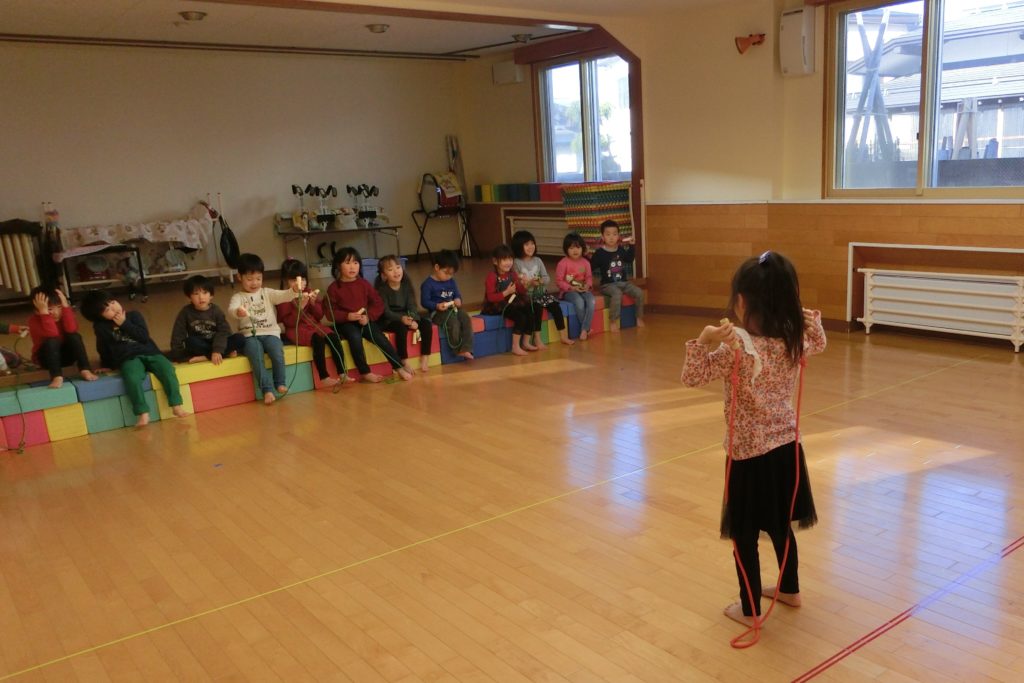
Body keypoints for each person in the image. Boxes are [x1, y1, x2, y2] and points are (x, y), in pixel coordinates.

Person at [680, 250, 826, 628]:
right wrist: (802, 316)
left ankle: (749, 610)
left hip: (747, 456)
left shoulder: (739, 348)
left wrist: (704, 339)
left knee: (744, 535)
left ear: (742, 302)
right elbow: (819, 339)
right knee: (780, 524)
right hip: (787, 450)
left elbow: (692, 377)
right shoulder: (793, 339)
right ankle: (790, 589)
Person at [80, 290, 188, 427]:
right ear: (99, 316)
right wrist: (107, 364)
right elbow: (103, 346)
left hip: (150, 352)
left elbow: (143, 337)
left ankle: (176, 405)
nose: (113, 308)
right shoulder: (101, 327)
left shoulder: (134, 315)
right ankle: (142, 412)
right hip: (128, 358)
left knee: (167, 369)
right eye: (107, 309)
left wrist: (124, 323)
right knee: (132, 377)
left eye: (113, 302)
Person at [326, 248, 413, 382]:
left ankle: (398, 366)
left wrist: (369, 317)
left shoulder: (363, 284)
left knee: (380, 338)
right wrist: (347, 316)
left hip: (364, 320)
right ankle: (365, 372)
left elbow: (377, 303)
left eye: (355, 263)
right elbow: (329, 312)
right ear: (338, 265)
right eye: (347, 263)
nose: (352, 267)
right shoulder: (333, 288)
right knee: (355, 338)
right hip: (345, 324)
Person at [228, 253, 303, 405]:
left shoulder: (267, 293)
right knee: (256, 356)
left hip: (270, 333)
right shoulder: (238, 297)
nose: (254, 283)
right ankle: (267, 390)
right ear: (239, 277)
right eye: (249, 279)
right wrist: (238, 312)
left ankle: (280, 383)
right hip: (250, 335)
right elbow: (231, 310)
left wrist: (293, 290)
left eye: (258, 278)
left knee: (277, 353)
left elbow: (284, 295)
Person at [277, 259, 349, 389]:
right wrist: (300, 307)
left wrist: (313, 303)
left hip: (314, 325)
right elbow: (289, 322)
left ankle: (342, 372)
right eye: (294, 280)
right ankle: (324, 376)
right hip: (296, 329)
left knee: (333, 336)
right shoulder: (283, 296)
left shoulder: (308, 290)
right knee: (317, 340)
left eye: (303, 279)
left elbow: (319, 315)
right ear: (285, 280)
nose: (300, 283)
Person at [511, 229, 573, 347]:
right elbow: (518, 283)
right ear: (518, 246)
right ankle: (537, 338)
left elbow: (547, 278)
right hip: (527, 296)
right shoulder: (516, 263)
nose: (531, 247)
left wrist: (539, 281)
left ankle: (563, 336)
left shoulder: (537, 260)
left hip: (541, 293)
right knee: (537, 308)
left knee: (556, 307)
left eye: (532, 243)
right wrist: (529, 283)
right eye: (526, 244)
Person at [27, 286, 98, 388]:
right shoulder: (33, 321)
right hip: (47, 360)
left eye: (59, 307)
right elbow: (52, 334)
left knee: (75, 336)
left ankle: (85, 369)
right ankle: (56, 376)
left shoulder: (64, 315)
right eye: (49, 309)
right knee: (52, 341)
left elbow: (71, 329)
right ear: (37, 311)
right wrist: (45, 314)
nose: (56, 313)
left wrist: (66, 307)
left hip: (66, 357)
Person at [374, 255, 433, 373]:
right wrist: (402, 319)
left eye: (398, 267)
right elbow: (386, 312)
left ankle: (425, 356)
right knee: (401, 329)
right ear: (384, 275)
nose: (396, 271)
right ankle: (404, 360)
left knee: (426, 324)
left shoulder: (406, 286)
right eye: (390, 269)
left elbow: (412, 306)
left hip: (407, 317)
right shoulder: (382, 290)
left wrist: (413, 319)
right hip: (390, 320)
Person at [169, 275, 246, 365]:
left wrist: (217, 350)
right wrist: (177, 355)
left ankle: (206, 357)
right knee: (190, 342)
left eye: (205, 293)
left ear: (211, 295)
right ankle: (224, 354)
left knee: (240, 338)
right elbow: (178, 334)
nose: (201, 297)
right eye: (196, 294)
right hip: (200, 345)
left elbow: (224, 332)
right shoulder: (185, 312)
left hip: (217, 343)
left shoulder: (216, 310)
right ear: (189, 297)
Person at [590, 219, 645, 331]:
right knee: (617, 294)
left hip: (623, 283)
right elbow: (591, 266)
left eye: (614, 234)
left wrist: (632, 246)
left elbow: (629, 259)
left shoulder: (620, 250)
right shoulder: (599, 253)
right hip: (607, 285)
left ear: (618, 236)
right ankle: (613, 320)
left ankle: (639, 317)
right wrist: (585, 255)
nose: (611, 237)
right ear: (602, 236)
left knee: (639, 292)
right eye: (608, 234)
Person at [481, 245, 537, 356]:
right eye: (504, 260)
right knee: (520, 317)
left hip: (512, 301)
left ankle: (526, 342)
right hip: (497, 305)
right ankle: (515, 346)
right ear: (495, 261)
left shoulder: (512, 274)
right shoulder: (492, 276)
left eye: (510, 259)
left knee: (530, 310)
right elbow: (491, 297)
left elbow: (520, 291)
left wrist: (527, 283)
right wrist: (506, 292)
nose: (508, 263)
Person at [420, 249, 474, 361]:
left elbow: (457, 295)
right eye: (446, 273)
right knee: (453, 322)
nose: (448, 276)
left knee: (465, 317)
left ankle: (466, 348)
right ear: (437, 267)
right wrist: (436, 306)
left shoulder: (451, 281)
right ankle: (457, 349)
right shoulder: (428, 284)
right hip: (437, 313)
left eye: (451, 274)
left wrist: (458, 299)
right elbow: (424, 302)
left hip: (452, 309)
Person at [555, 232, 595, 341]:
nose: (575, 250)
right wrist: (572, 288)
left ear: (582, 248)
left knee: (591, 301)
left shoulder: (586, 263)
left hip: (583, 289)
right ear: (566, 249)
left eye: (578, 247)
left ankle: (584, 329)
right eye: (571, 248)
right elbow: (559, 281)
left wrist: (587, 285)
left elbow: (589, 277)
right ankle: (586, 329)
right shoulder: (562, 263)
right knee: (579, 301)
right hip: (568, 291)